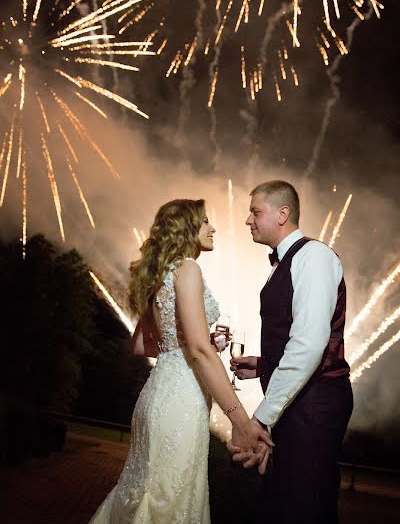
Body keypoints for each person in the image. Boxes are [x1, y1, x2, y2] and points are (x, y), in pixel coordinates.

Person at [89, 198, 270, 524]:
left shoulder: (158, 275)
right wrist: (240, 422)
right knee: (170, 502)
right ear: (186, 227)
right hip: (180, 402)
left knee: (146, 492)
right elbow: (199, 352)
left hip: (156, 394)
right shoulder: (188, 268)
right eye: (205, 222)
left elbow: (143, 345)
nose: (213, 228)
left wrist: (190, 340)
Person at [230, 180, 353, 524]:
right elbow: (297, 338)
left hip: (314, 405)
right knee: (282, 505)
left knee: (305, 507)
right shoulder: (285, 263)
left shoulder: (314, 257)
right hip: (298, 403)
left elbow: (309, 345)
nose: (247, 220)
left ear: (282, 214)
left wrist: (259, 418)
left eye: (255, 211)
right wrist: (264, 364)